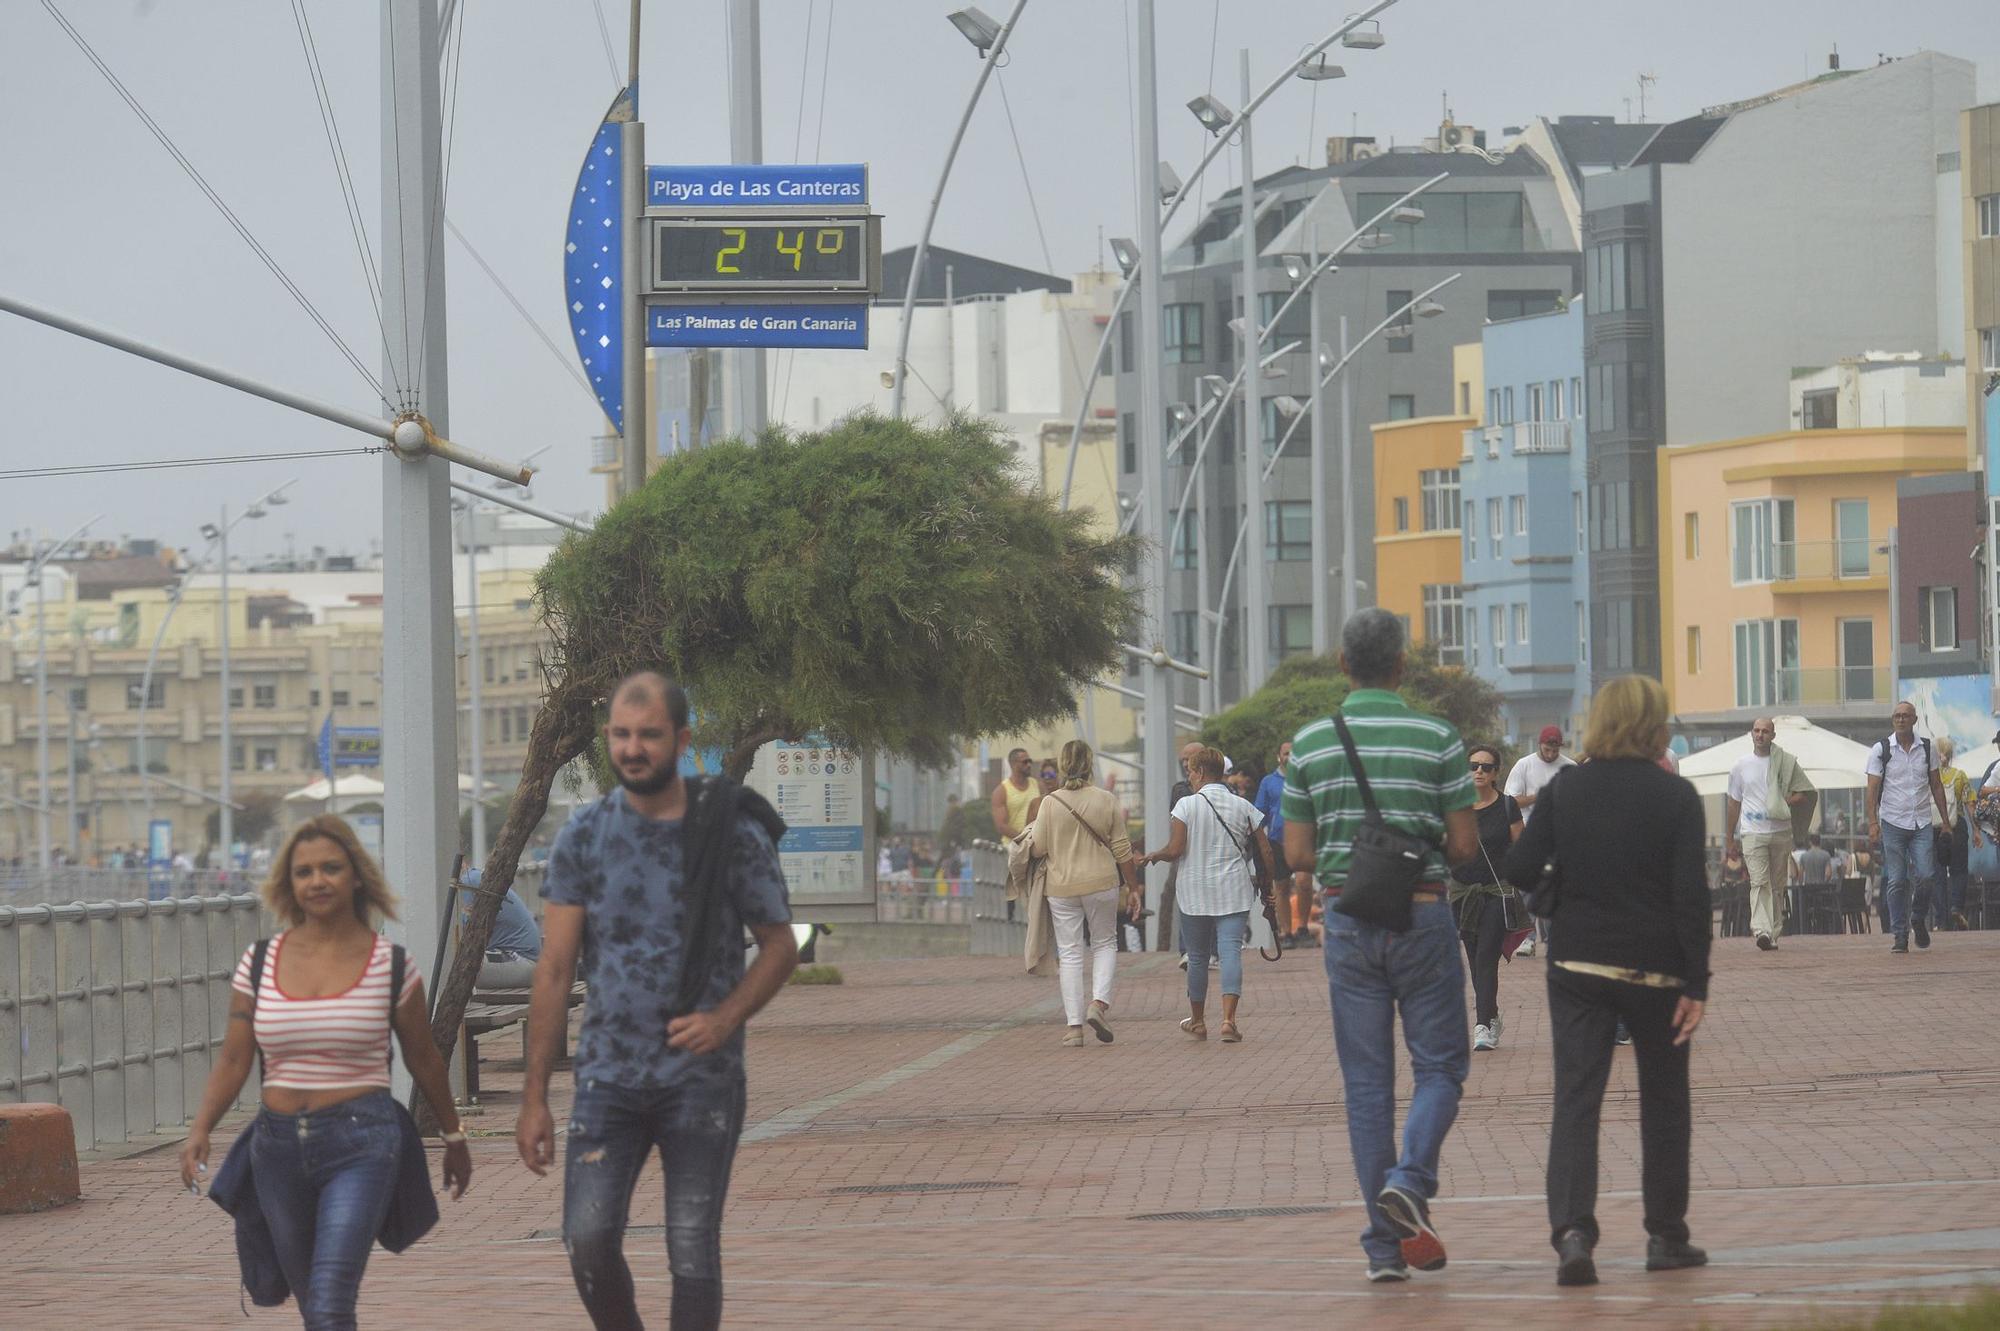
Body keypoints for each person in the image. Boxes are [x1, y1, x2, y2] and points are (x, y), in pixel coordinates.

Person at [516, 672, 796, 1331]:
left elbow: (781, 943)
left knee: (692, 1247)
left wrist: (726, 1017)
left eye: (649, 734)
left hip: (701, 1078)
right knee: (587, 1238)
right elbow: (554, 968)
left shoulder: (727, 831)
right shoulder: (582, 835)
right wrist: (534, 1097)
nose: (633, 747)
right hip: (606, 1078)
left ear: (681, 738)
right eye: (621, 733)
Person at [178, 815, 472, 1329]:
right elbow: (233, 1057)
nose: (317, 881)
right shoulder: (259, 962)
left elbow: (423, 1057)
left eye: (331, 868)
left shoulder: (392, 967)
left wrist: (453, 1135)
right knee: (316, 1305)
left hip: (364, 1143)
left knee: (333, 1298)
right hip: (277, 1148)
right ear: (289, 884)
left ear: (356, 875)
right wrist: (200, 1129)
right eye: (304, 871)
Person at [1282, 610, 1478, 1283]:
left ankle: (1382, 1248)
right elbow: (1463, 845)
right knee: (1442, 1067)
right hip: (1423, 915)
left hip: (1346, 918)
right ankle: (1411, 1178)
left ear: (1343, 663)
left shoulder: (1309, 742)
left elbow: (1298, 853)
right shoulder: (1439, 737)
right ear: (1401, 664)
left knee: (1367, 1086)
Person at [1502, 675, 1710, 1289]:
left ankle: (1573, 1234)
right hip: (1658, 969)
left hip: (1578, 966)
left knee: (1576, 1098)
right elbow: (1691, 899)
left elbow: (1517, 866)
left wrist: (1562, 870)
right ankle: (1665, 1235)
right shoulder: (1677, 798)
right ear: (1654, 725)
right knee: (1666, 1103)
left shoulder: (1567, 789)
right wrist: (1696, 983)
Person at [1141, 746, 1274, 1044]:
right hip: (1234, 890)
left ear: (1200, 772)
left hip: (1195, 891)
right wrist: (1268, 885)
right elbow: (1264, 849)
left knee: (1198, 957)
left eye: (1190, 770)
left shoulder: (1185, 806)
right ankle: (1228, 1021)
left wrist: (1156, 855)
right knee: (1229, 953)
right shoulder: (1241, 805)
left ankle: (1198, 1021)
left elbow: (1176, 850)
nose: (1188, 775)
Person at [1027, 740, 1142, 1046]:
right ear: (1090, 765)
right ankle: (1098, 1004)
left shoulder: (1049, 803)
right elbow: (1122, 849)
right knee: (1105, 943)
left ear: (1063, 766)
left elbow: (1038, 846)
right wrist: (1133, 887)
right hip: (1102, 883)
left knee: (1070, 952)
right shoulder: (1106, 800)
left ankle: (1074, 1028)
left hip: (1061, 886)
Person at [1450, 745, 1523, 1053]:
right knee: (1474, 956)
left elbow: (1523, 848)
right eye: (1473, 765)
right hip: (1463, 894)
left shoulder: (1507, 806)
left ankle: (1482, 1026)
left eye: (1486, 767)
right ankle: (1491, 1015)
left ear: (1495, 774)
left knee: (1485, 957)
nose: (1478, 771)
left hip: (1496, 892)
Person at [1864, 701, 1951, 954]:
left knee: (1926, 876)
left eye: (1905, 716)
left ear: (1914, 720)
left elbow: (1936, 785)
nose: (1900, 720)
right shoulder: (1881, 750)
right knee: (1897, 880)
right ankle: (1900, 934)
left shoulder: (1927, 747)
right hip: (1893, 822)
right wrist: (1872, 822)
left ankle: (1917, 916)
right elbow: (1872, 788)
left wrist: (1945, 821)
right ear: (1893, 720)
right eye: (1896, 716)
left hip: (1922, 821)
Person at [1723, 717, 1815, 952]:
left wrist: (1785, 799)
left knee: (1777, 885)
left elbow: (1804, 794)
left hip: (1780, 831)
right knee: (1759, 881)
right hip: (1752, 833)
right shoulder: (1740, 766)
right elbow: (1734, 804)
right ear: (1751, 734)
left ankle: (1773, 933)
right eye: (1756, 730)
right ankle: (1762, 930)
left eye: (1765, 731)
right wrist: (1729, 838)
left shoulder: (1785, 762)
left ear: (1773, 736)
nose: (1760, 734)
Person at [1505, 726, 1576, 957]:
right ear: (1540, 744)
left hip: (1560, 834)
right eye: (1547, 748)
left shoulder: (1569, 768)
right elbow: (1511, 802)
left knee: (1557, 887)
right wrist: (1542, 795)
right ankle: (1528, 937)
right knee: (1527, 888)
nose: (1551, 754)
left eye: (1555, 749)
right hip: (1529, 832)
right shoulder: (1524, 765)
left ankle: (1555, 938)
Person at [457, 865, 543, 990]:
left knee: (464, 973)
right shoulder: (478, 877)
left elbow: (463, 932)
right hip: (527, 962)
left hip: (524, 963)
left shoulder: (467, 882)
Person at [1255, 740, 1308, 944]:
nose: (1289, 756)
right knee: (1282, 886)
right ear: (1279, 757)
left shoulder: (1306, 779)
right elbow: (1260, 811)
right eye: (1286, 753)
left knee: (1304, 883)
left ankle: (1302, 927)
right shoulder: (1268, 782)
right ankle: (1287, 933)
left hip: (1303, 838)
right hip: (1277, 840)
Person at [1932, 738, 1982, 931]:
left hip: (1934, 827)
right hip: (1956, 825)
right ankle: (1956, 907)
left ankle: (1940, 920)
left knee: (1937, 872)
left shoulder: (1929, 777)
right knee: (1959, 870)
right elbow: (1970, 804)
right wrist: (1976, 829)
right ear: (1951, 756)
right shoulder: (1959, 776)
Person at [990, 748, 1039, 841]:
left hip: (1035, 846)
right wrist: (1024, 839)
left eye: (1030, 761)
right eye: (1025, 762)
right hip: (1012, 848)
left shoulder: (1037, 785)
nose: (1029, 765)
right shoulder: (1001, 791)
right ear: (1013, 764)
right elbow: (1001, 826)